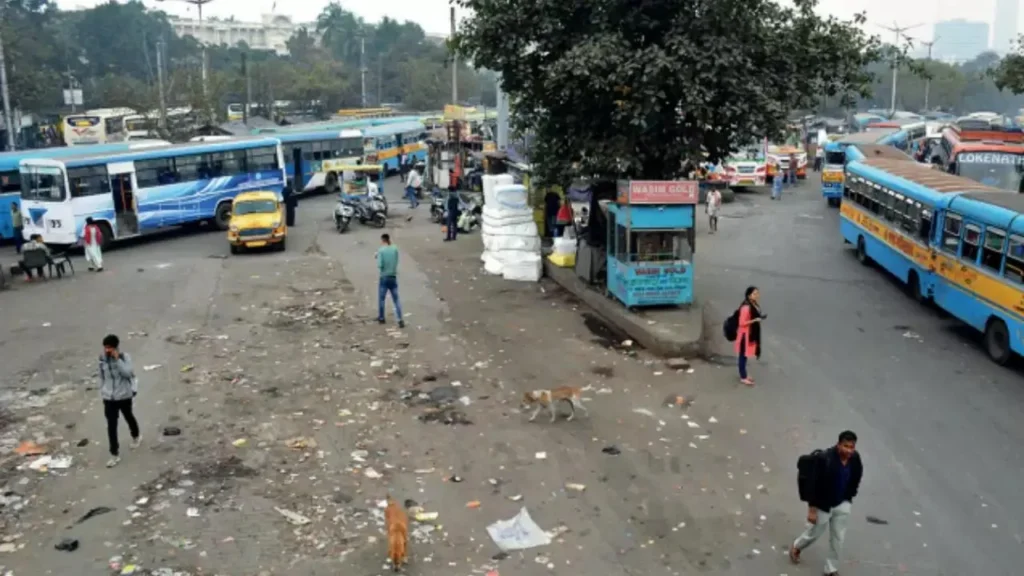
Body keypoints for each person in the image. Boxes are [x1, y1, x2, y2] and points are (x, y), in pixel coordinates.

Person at [790, 431, 863, 576]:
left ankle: (831, 569)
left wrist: (850, 495)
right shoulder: (825, 459)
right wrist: (812, 509)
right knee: (815, 532)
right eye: (845, 446)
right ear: (838, 445)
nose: (848, 450)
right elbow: (813, 484)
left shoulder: (855, 459)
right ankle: (797, 546)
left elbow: (857, 476)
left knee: (838, 538)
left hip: (843, 503)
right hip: (823, 504)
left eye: (851, 447)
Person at [99, 334, 141, 468]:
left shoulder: (124, 358)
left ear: (116, 347)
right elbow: (101, 377)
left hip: (123, 396)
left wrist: (118, 360)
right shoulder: (102, 360)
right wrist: (103, 391)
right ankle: (114, 454)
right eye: (105, 347)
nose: (107, 350)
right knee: (111, 426)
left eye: (110, 348)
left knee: (128, 416)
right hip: (109, 398)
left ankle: (136, 435)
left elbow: (128, 373)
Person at [734, 286, 762, 386]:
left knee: (745, 355)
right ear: (749, 295)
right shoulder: (746, 307)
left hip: (748, 334)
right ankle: (743, 377)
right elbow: (742, 323)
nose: (757, 295)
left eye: (757, 293)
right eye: (754, 294)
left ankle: (744, 375)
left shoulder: (752, 304)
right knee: (743, 356)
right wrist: (754, 320)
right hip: (744, 336)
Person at [376, 233, 404, 328]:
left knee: (381, 299)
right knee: (396, 299)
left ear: (382, 240)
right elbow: (396, 260)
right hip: (393, 276)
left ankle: (381, 318)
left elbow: (380, 265)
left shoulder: (381, 250)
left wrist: (377, 257)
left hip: (384, 277)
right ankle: (400, 319)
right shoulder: (394, 249)